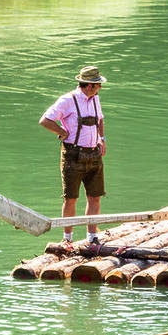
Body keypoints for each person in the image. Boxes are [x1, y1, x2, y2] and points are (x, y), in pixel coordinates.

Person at [39, 66, 108, 244]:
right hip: (73, 154)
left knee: (95, 197)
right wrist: (61, 131)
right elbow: (45, 120)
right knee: (71, 198)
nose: (100, 87)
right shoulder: (67, 100)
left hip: (94, 154)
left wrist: (102, 138)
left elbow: (99, 119)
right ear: (90, 85)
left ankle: (92, 237)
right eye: (98, 85)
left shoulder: (95, 99)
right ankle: (67, 239)